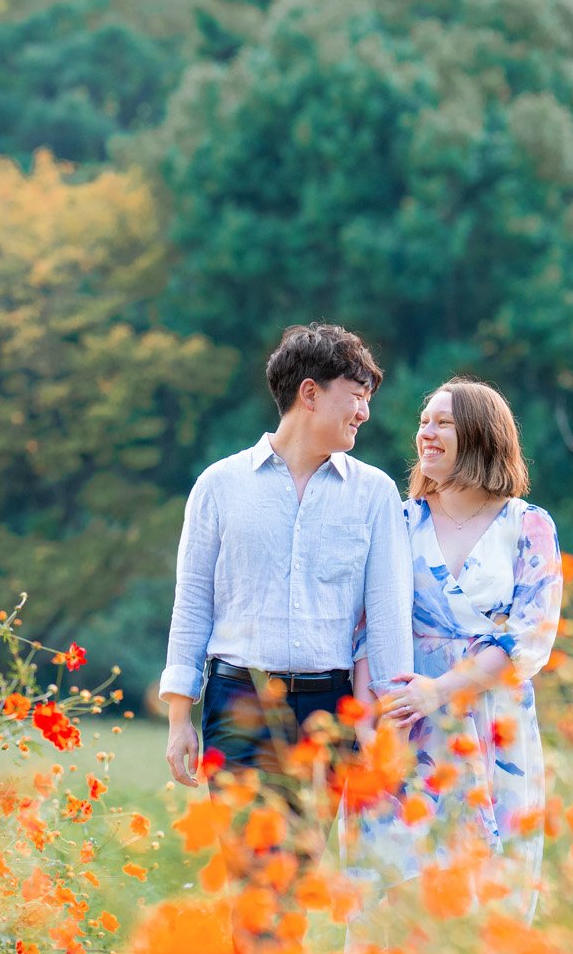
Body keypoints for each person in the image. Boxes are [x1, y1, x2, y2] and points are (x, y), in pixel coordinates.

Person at [160, 324, 414, 817]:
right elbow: (192, 602)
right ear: (310, 393)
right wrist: (178, 719)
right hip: (238, 703)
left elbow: (387, 615)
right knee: (250, 876)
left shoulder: (375, 494)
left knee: (297, 877)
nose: (365, 412)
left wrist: (389, 732)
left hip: (329, 711)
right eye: (357, 396)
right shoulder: (219, 484)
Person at [350, 377, 563, 921]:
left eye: (443, 421)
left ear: (481, 434)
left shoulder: (528, 526)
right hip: (404, 721)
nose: (427, 432)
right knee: (398, 884)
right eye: (425, 421)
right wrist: (367, 724)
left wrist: (440, 691)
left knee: (488, 889)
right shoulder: (397, 520)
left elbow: (530, 635)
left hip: (491, 720)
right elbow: (366, 628)